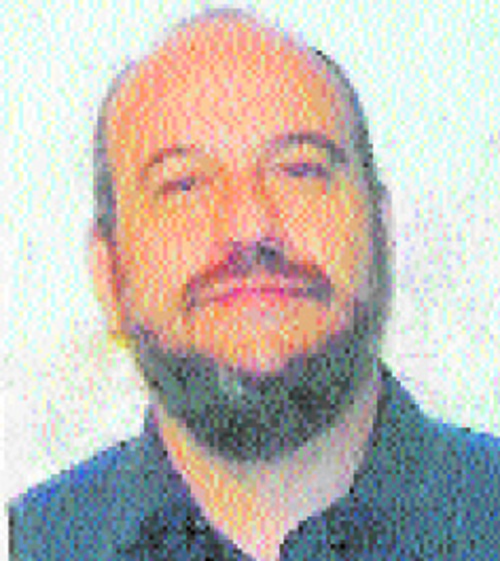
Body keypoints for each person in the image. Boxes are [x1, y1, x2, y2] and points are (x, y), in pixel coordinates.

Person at [9, 7, 500, 560]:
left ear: (381, 232)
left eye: (300, 169)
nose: (250, 225)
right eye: (183, 184)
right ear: (109, 274)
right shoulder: (30, 544)